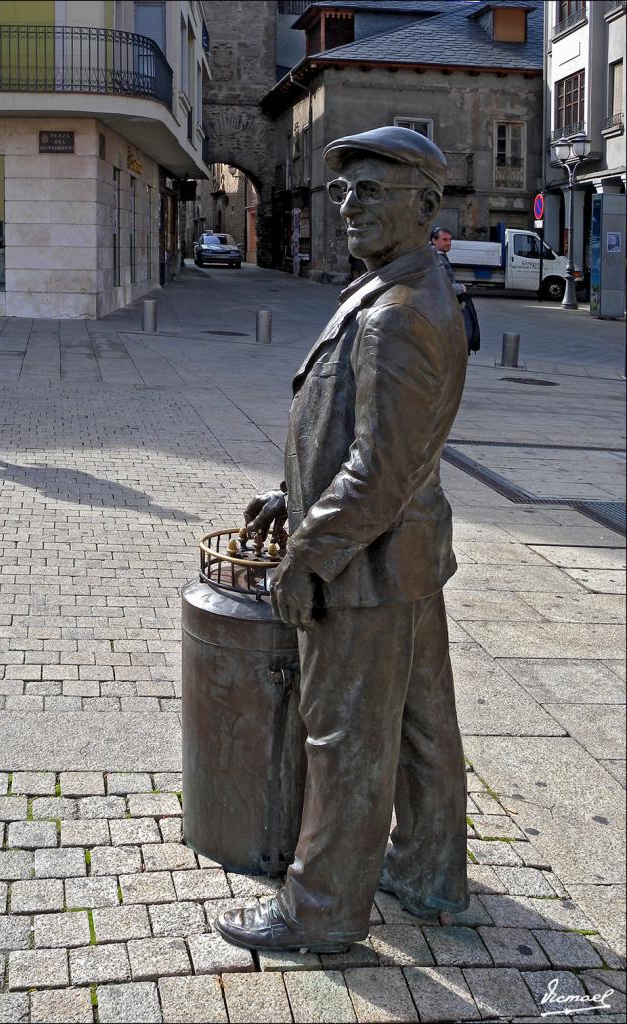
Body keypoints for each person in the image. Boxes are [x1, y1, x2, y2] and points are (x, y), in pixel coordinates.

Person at [216, 127, 469, 954]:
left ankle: (319, 912)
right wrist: (289, 493)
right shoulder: (401, 285)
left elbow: (377, 473)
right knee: (421, 725)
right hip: (406, 556)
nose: (350, 206)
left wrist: (306, 554)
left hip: (366, 561)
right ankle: (428, 873)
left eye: (372, 191)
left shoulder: (399, 313)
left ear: (426, 206)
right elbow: (362, 437)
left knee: (345, 736)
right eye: (343, 192)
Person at [430, 226, 481, 354]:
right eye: (444, 239)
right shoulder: (435, 258)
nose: (448, 243)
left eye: (450, 240)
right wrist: (460, 288)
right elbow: (439, 284)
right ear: (434, 240)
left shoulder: (438, 256)